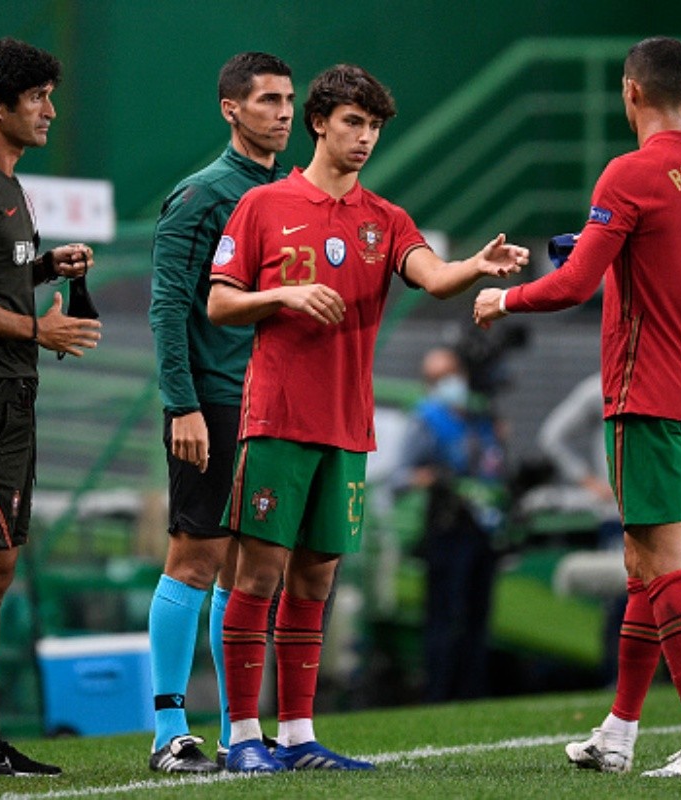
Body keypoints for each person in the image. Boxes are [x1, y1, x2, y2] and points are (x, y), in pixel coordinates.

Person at [207, 63, 529, 773]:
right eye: (354, 122)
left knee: (316, 580)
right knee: (258, 576)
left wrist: (474, 265)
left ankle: (296, 737)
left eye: (376, 127)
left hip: (346, 429)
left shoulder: (385, 220)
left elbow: (434, 276)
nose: (366, 138)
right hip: (278, 420)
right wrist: (285, 297)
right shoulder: (263, 206)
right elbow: (219, 302)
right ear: (320, 122)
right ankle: (239, 737)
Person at [475, 37, 681, 778]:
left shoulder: (630, 172)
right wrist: (602, 243)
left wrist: (504, 298)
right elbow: (663, 267)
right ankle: (618, 733)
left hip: (645, 390)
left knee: (662, 563)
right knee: (641, 564)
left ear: (630, 92)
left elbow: (572, 287)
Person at [0, 37, 102, 777]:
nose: (49, 109)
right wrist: (40, 327)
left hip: (9, 400)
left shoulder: (9, 187)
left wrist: (42, 269)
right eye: (35, 96)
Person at [147, 51, 294, 773]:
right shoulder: (202, 194)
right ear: (231, 109)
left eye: (289, 100)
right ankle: (167, 732)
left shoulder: (290, 195)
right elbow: (168, 305)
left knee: (248, 566)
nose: (285, 113)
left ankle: (241, 727)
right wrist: (183, 405)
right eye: (268, 100)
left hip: (270, 406)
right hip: (212, 401)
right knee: (196, 555)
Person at [391, 346, 507, 702]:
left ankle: (474, 691)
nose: (449, 383)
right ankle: (437, 693)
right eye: (438, 378)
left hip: (483, 528)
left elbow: (495, 468)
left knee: (478, 614)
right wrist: (429, 477)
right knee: (443, 615)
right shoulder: (426, 419)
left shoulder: (480, 417)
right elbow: (399, 477)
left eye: (451, 373)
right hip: (447, 526)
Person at [537, 371, 625, 684]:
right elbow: (552, 436)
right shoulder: (599, 387)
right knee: (623, 601)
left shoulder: (663, 376)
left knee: (660, 599)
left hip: (657, 510)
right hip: (618, 513)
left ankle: (660, 681)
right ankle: (617, 680)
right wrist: (586, 478)